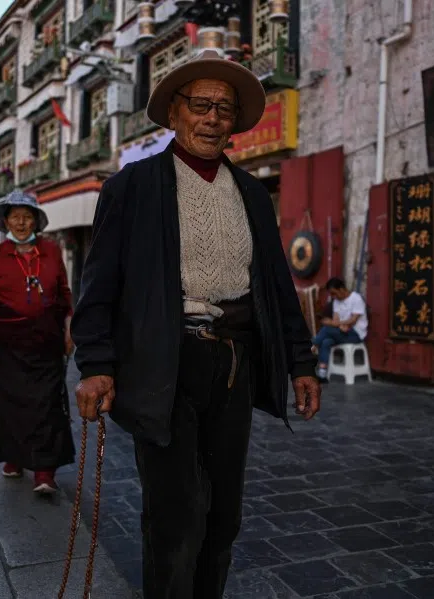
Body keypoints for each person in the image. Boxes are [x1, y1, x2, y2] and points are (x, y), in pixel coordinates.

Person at [71, 50, 321, 599]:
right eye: (201, 105)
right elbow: (99, 287)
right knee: (176, 513)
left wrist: (301, 362)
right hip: (164, 362)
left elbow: (276, 286)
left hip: (233, 363)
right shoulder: (132, 186)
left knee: (224, 512)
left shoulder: (253, 193)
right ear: (175, 113)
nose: (212, 118)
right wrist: (95, 365)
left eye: (224, 110)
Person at [0, 191, 75, 492]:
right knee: (8, 404)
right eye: (15, 217)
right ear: (5, 221)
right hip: (6, 345)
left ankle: (44, 471)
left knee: (47, 405)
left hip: (46, 343)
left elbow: (64, 295)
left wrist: (69, 328)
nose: (21, 222)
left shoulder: (52, 251)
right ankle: (13, 458)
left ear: (35, 221)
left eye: (27, 217)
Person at [312, 277, 368, 379]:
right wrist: (338, 325)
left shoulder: (356, 298)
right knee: (326, 341)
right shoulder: (336, 302)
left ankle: (312, 345)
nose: (333, 296)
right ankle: (322, 373)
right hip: (342, 332)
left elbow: (353, 320)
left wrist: (336, 324)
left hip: (356, 334)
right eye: (331, 294)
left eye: (334, 293)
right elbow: (336, 321)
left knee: (326, 329)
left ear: (342, 289)